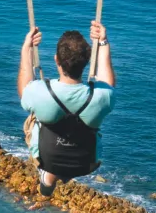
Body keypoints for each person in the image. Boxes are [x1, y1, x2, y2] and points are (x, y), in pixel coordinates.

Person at [18, 18, 115, 196]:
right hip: (87, 164)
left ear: (56, 60)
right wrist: (103, 42)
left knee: (32, 117)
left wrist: (27, 49)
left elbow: (24, 89)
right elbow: (107, 82)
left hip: (47, 160)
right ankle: (62, 173)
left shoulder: (40, 92)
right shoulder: (102, 96)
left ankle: (49, 177)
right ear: (87, 61)